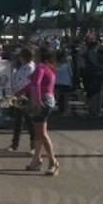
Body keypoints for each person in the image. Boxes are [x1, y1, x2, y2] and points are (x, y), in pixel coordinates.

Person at [24, 46, 60, 176]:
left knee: (42, 133)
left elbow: (36, 84)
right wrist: (19, 91)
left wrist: (36, 101)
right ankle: (36, 160)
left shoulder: (40, 67)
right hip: (49, 99)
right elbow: (33, 83)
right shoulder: (49, 68)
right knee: (39, 133)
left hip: (41, 100)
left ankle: (53, 161)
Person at [6, 47, 36, 153]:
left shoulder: (30, 67)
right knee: (18, 120)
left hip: (26, 95)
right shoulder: (22, 66)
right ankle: (15, 144)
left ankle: (33, 146)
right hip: (18, 95)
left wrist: (19, 92)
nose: (19, 58)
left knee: (29, 121)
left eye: (20, 56)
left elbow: (28, 83)